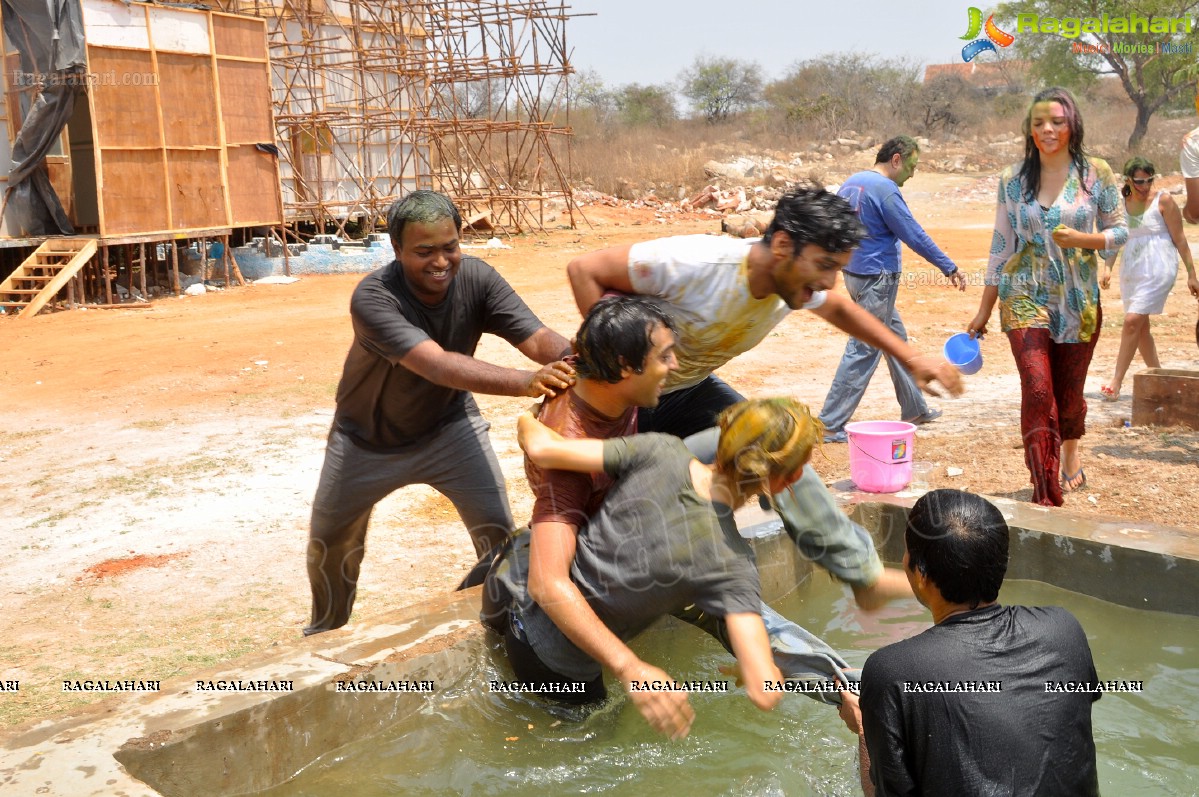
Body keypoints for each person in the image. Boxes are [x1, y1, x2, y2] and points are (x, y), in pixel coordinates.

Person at [566, 186, 962, 610]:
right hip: (625, 400)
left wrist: (912, 357)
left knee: (780, 442)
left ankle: (863, 576)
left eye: (837, 269)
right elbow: (583, 269)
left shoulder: (795, 284)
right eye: (825, 266)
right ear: (781, 245)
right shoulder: (693, 263)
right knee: (621, 515)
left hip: (686, 389)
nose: (829, 283)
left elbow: (842, 310)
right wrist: (620, 371)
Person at [482, 298, 859, 739]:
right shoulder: (730, 564)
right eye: (664, 356)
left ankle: (849, 684)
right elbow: (548, 584)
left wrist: (527, 425)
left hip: (527, 573)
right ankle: (854, 689)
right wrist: (633, 667)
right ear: (624, 366)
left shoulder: (656, 447)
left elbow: (543, 445)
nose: (676, 364)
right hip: (550, 643)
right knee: (586, 739)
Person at [305, 190, 574, 635]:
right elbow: (436, 364)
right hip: (365, 442)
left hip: (451, 431)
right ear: (396, 249)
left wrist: (582, 355)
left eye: (450, 246)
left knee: (498, 538)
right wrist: (524, 382)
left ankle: (498, 624)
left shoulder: (479, 280)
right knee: (331, 547)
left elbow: (536, 336)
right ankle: (323, 636)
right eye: (424, 251)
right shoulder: (374, 299)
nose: (441, 261)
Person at [856, 489, 1100, 796]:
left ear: (920, 573)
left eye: (905, 552)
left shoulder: (889, 672)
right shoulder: (1064, 631)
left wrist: (866, 727)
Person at [967, 87, 1126, 507]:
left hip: (1078, 301)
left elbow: (1120, 230)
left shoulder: (1097, 174)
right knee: (1038, 388)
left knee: (1069, 395)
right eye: (1038, 123)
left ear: (1072, 124)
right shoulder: (1012, 180)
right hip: (1023, 294)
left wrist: (1083, 239)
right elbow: (1001, 245)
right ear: (1029, 129)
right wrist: (983, 309)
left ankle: (1069, 450)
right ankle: (1044, 491)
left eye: (1056, 121)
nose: (1047, 130)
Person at [819, 136, 967, 443]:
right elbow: (913, 233)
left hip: (855, 275)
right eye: (911, 166)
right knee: (864, 347)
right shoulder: (885, 190)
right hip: (877, 279)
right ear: (896, 159)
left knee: (894, 338)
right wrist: (947, 265)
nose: (912, 174)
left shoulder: (852, 182)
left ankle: (914, 407)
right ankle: (830, 423)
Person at [1099, 157, 1199, 401]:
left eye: (1149, 180)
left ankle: (1116, 381)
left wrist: (1191, 274)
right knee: (1141, 329)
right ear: (1128, 180)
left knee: (1132, 321)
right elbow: (1117, 238)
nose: (1145, 185)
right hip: (1132, 269)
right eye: (1139, 181)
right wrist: (1108, 267)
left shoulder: (1163, 200)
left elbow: (1181, 239)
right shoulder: (1121, 204)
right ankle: (1160, 379)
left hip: (1159, 266)